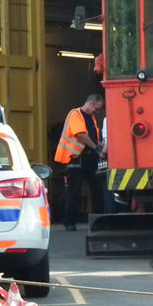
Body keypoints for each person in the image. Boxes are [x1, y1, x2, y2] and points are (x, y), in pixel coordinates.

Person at [54, 94, 105, 230]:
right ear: (91, 104)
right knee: (74, 192)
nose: (97, 112)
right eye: (97, 109)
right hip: (76, 159)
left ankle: (98, 221)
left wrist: (99, 149)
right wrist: (97, 147)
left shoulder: (91, 118)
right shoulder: (75, 114)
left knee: (97, 191)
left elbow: (93, 137)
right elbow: (80, 135)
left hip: (89, 159)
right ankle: (69, 222)